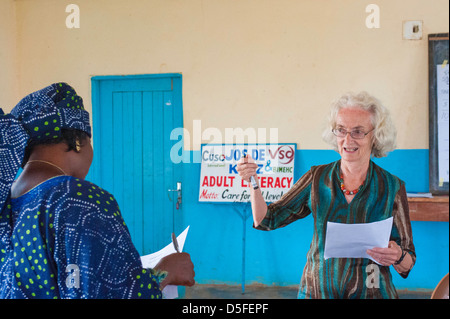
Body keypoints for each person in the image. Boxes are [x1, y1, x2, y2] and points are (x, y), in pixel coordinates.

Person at [0, 82, 195, 299]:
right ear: (77, 141)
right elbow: (116, 294)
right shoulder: (77, 200)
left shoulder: (8, 201)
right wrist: (165, 272)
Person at [237, 91, 416, 299]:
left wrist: (397, 255)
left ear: (375, 135)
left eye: (358, 131)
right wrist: (252, 182)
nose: (348, 139)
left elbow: (408, 262)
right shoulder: (316, 178)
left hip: (372, 292)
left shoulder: (391, 186)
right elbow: (267, 219)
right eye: (341, 130)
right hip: (318, 291)